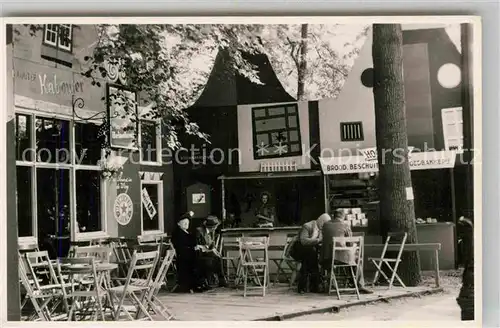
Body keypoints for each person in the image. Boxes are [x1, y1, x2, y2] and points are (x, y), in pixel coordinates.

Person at [320, 209, 373, 294]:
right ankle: (359, 285)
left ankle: (331, 284)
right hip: (339, 258)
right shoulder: (345, 225)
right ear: (343, 216)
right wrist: (354, 245)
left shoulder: (325, 225)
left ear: (334, 215)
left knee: (348, 257)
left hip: (326, 258)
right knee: (356, 259)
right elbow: (350, 243)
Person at [294, 213, 332, 293]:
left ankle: (303, 286)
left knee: (309, 258)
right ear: (321, 221)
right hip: (298, 249)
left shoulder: (321, 229)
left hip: (310, 252)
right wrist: (318, 241)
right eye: (324, 224)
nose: (324, 226)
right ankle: (314, 285)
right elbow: (303, 241)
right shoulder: (307, 226)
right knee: (311, 255)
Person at [171, 211, 205, 293]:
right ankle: (194, 285)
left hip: (189, 253)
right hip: (183, 256)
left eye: (187, 222)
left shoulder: (187, 232)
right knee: (198, 261)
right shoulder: (178, 233)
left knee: (202, 258)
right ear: (179, 224)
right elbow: (181, 247)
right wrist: (193, 248)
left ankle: (199, 284)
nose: (187, 224)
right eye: (184, 222)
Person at [195, 215, 228, 288]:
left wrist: (214, 249)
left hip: (208, 254)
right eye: (215, 226)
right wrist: (210, 250)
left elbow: (212, 244)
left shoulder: (211, 233)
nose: (216, 228)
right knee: (217, 259)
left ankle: (220, 279)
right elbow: (197, 246)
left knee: (218, 257)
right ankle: (221, 279)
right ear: (212, 227)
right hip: (199, 255)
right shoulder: (199, 231)